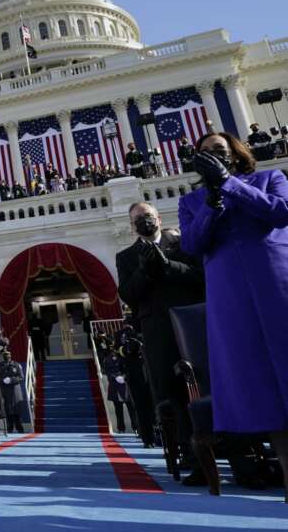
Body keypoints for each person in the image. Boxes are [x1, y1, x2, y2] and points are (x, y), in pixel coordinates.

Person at [180, 131, 288, 499]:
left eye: (220, 150)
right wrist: (212, 201)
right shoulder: (193, 199)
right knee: (256, 377)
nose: (213, 155)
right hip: (230, 292)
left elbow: (280, 212)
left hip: (275, 279)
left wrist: (230, 184)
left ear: (236, 154)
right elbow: (192, 244)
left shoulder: (269, 178)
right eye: (206, 153)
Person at [116, 201, 205, 484]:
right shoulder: (127, 256)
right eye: (139, 219)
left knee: (205, 383)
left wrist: (168, 266)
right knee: (171, 391)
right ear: (132, 226)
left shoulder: (179, 242)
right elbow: (128, 295)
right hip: (156, 330)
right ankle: (191, 456)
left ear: (158, 217)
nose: (145, 221)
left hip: (190, 322)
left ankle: (234, 452)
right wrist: (144, 270)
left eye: (149, 216)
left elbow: (198, 276)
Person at [102, 350, 136, 434]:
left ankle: (135, 427)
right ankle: (121, 428)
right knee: (118, 409)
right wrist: (115, 377)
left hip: (125, 384)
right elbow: (107, 371)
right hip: (115, 385)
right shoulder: (107, 359)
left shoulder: (123, 356)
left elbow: (127, 368)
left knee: (131, 408)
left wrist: (124, 376)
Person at [0, 350, 26, 434]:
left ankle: (20, 430)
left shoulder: (16, 365)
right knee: (8, 412)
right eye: (5, 355)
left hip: (15, 392)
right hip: (5, 392)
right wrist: (2, 380)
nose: (7, 356)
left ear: (11, 355)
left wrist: (11, 380)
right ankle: (9, 430)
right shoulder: (0, 365)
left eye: (8, 354)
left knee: (17, 413)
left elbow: (21, 377)